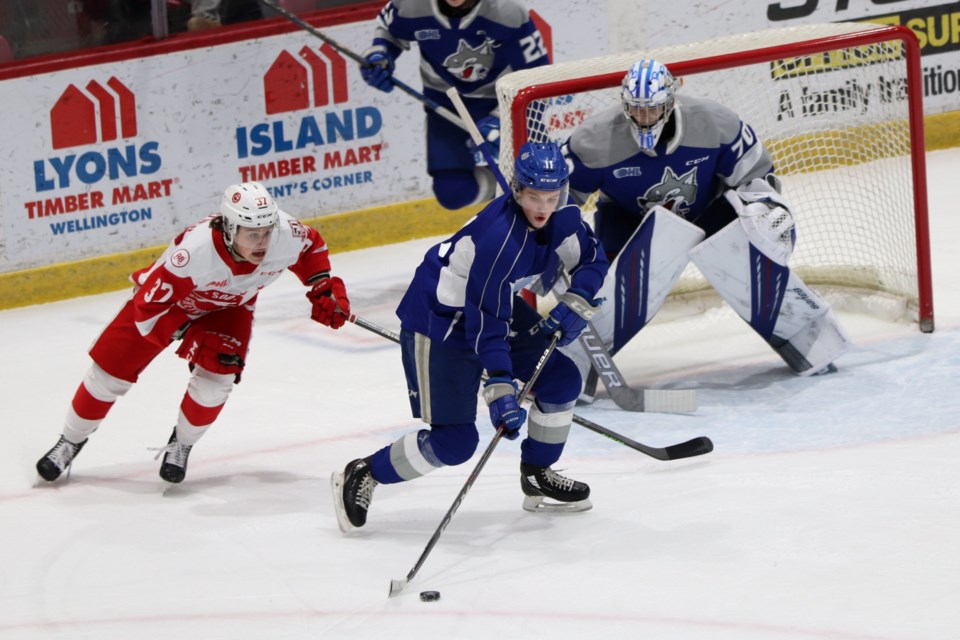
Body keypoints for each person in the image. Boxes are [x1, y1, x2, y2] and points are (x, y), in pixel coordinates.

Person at [331, 142, 609, 532]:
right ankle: (364, 473)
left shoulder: (563, 215)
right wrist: (499, 385)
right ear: (517, 190)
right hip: (439, 321)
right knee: (455, 443)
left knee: (561, 380)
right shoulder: (498, 242)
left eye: (551, 196)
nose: (544, 207)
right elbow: (488, 322)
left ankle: (537, 473)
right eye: (534, 196)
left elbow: (593, 259)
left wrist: (578, 299)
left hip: (490, 307)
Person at [35, 182, 351, 484]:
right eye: (253, 235)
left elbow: (311, 246)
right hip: (169, 306)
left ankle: (181, 445)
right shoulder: (193, 254)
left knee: (216, 383)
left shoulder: (286, 232)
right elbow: (147, 308)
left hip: (230, 307)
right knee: (108, 374)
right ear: (230, 228)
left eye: (267, 233)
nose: (263, 243)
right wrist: (185, 330)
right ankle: (69, 441)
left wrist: (322, 285)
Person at [562, 58, 849, 391]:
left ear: (670, 102)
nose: (644, 118)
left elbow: (756, 176)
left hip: (709, 208)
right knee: (610, 289)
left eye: (652, 109)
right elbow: (561, 199)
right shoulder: (593, 140)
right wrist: (558, 243)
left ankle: (808, 338)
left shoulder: (716, 123)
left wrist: (766, 212)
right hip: (628, 218)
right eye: (637, 109)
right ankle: (570, 367)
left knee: (747, 262)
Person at [360, 0, 549, 210]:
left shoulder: (507, 12)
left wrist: (505, 119)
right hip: (444, 101)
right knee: (453, 192)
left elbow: (539, 79)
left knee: (543, 178)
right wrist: (380, 55)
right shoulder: (410, 5)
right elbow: (388, 30)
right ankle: (510, 187)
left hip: (502, 101)